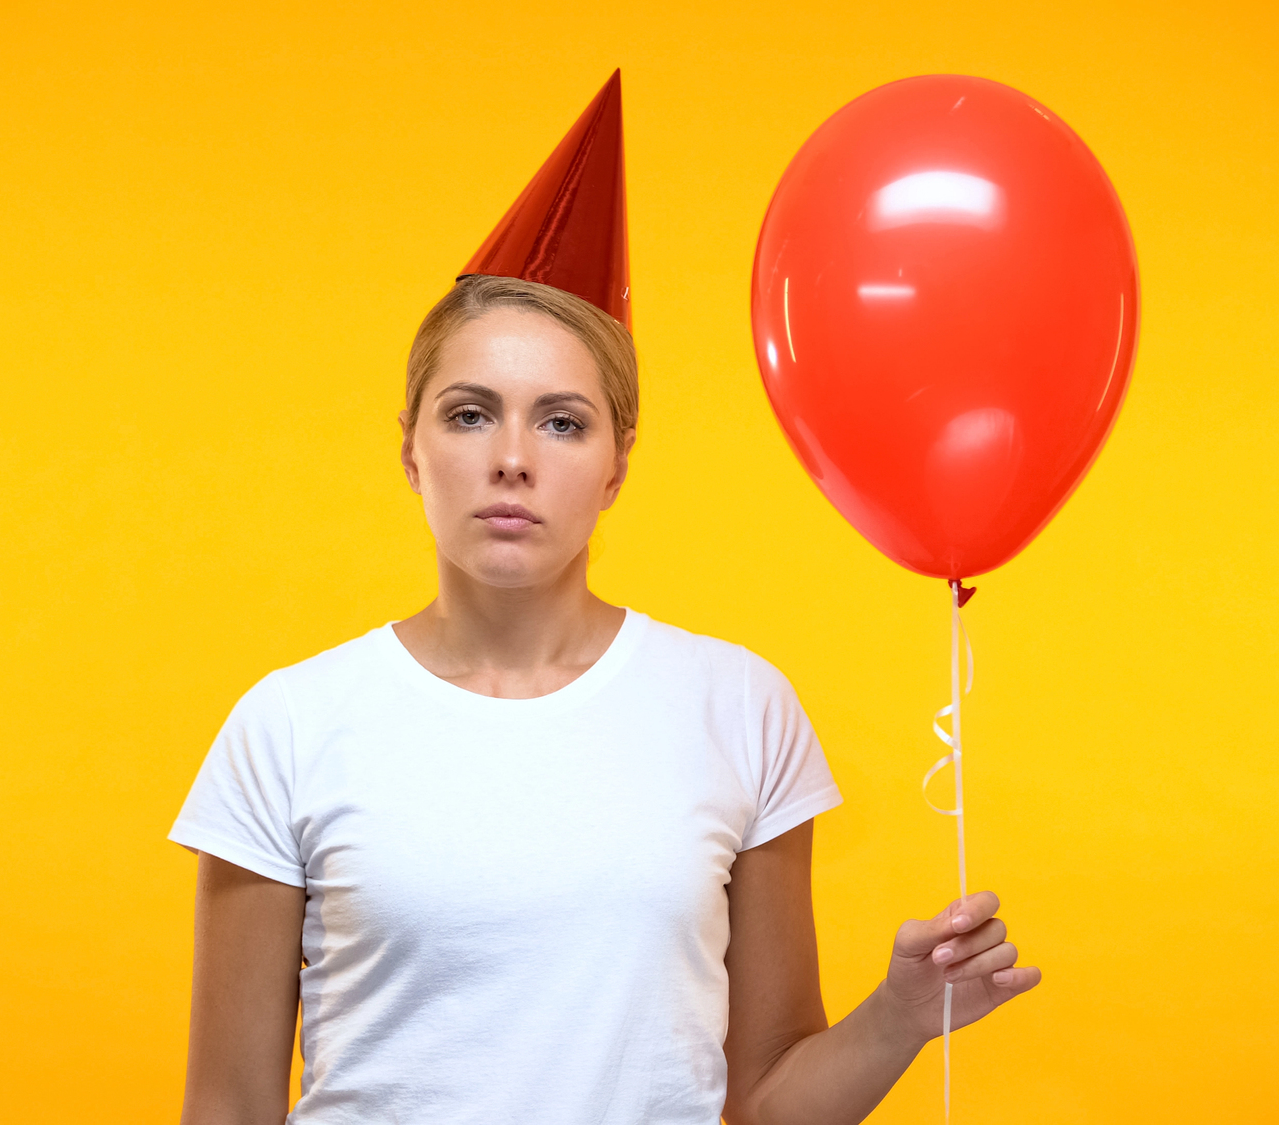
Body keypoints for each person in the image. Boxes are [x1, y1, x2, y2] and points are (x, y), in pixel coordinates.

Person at [169, 75, 1038, 1125]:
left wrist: (900, 1013)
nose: (510, 459)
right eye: (469, 413)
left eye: (562, 422)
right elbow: (225, 1108)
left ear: (618, 462)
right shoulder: (288, 727)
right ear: (409, 448)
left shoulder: (739, 709)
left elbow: (763, 1105)